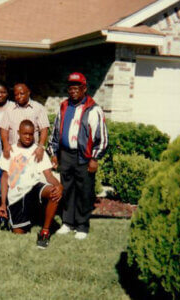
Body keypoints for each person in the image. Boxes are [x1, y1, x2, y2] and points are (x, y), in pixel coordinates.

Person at [49, 72, 108, 240]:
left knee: (84, 191)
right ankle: (67, 222)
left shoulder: (94, 109)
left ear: (84, 89)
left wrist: (94, 158)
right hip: (66, 155)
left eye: (77, 88)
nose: (73, 91)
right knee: (67, 190)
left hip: (85, 156)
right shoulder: (64, 106)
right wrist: (54, 153)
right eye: (71, 88)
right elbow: (56, 131)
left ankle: (82, 225)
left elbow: (102, 138)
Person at [0, 120, 63, 249]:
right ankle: (19, 219)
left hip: (34, 189)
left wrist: (59, 186)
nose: (28, 137)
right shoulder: (10, 150)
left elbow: (48, 175)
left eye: (31, 134)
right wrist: (3, 203)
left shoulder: (38, 151)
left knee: (53, 192)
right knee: (19, 234)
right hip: (16, 196)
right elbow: (5, 177)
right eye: (25, 134)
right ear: (18, 133)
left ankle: (45, 231)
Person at [0, 83, 49, 163]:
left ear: (28, 92)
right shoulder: (9, 109)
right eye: (16, 95)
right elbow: (4, 129)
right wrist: (5, 144)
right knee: (13, 175)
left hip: (32, 152)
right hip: (13, 152)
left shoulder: (38, 108)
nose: (19, 97)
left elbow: (44, 129)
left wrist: (41, 147)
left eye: (21, 93)